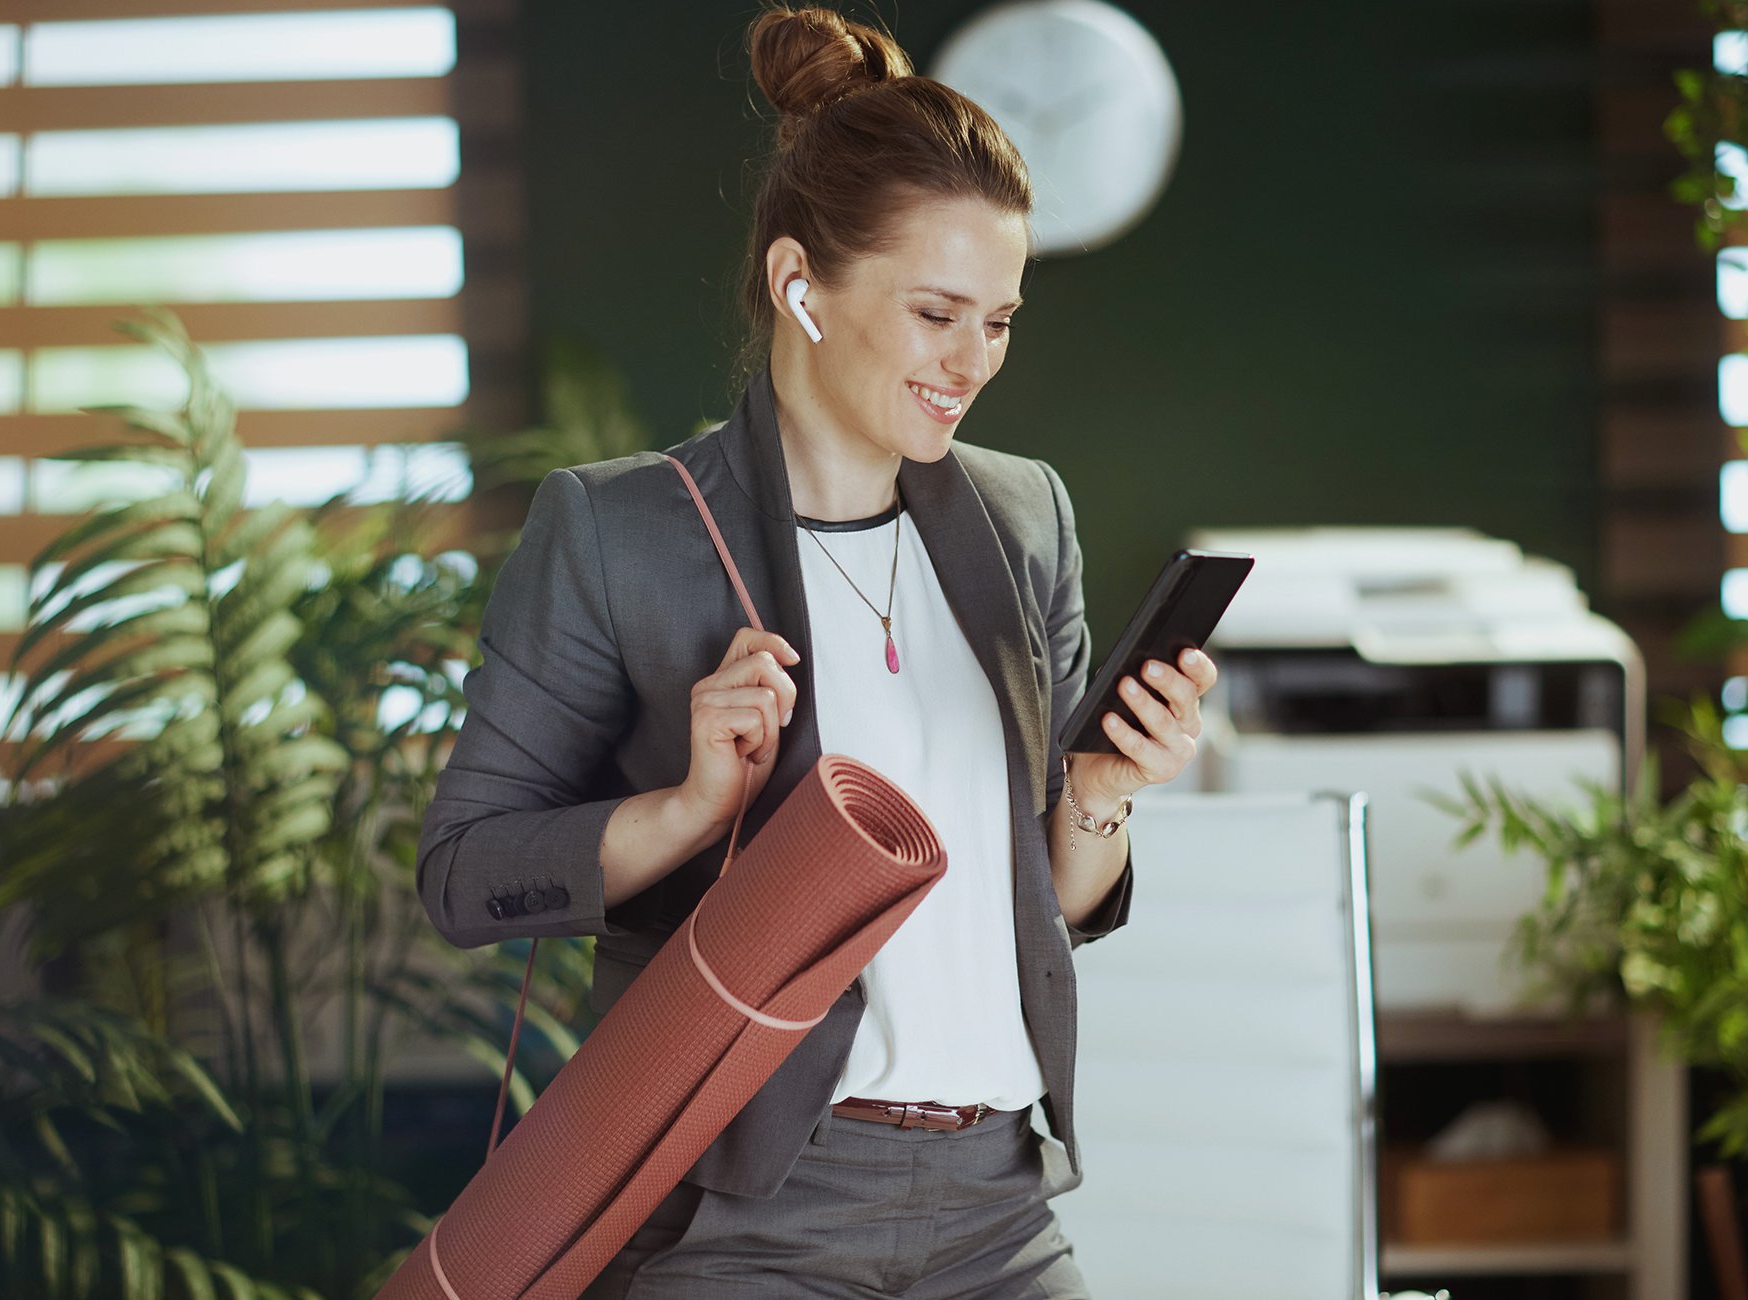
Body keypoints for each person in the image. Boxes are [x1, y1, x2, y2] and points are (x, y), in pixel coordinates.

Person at [415, 6, 1218, 1296]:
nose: (974, 364)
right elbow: (465, 877)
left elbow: (1045, 910)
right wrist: (688, 808)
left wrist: (1103, 799)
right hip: (747, 1218)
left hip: (997, 1209)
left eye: (1001, 320)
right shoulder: (623, 531)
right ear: (803, 286)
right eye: (937, 313)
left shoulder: (1025, 521)